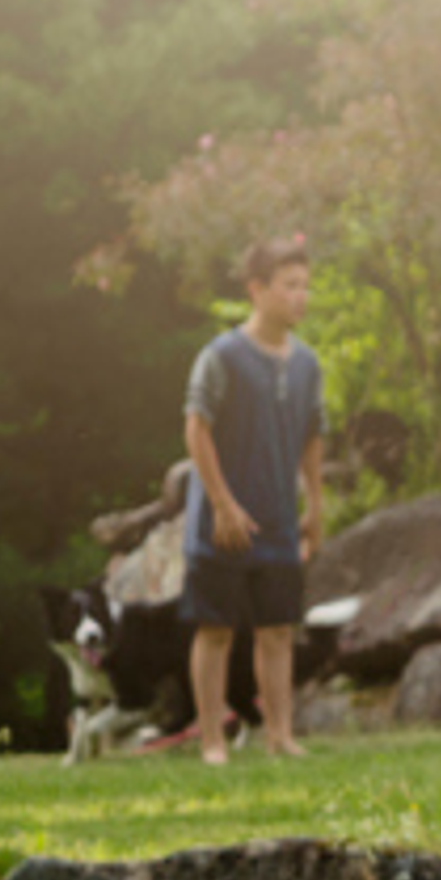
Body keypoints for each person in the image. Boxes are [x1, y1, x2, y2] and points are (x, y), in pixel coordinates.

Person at [178, 234, 324, 766]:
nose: (300, 297)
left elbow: (313, 436)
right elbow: (196, 430)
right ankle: (212, 741)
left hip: (279, 521)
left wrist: (314, 508)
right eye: (290, 286)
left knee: (278, 631)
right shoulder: (221, 357)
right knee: (215, 631)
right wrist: (221, 502)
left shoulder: (307, 363)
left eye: (305, 287)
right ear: (256, 290)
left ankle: (280, 737)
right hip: (221, 523)